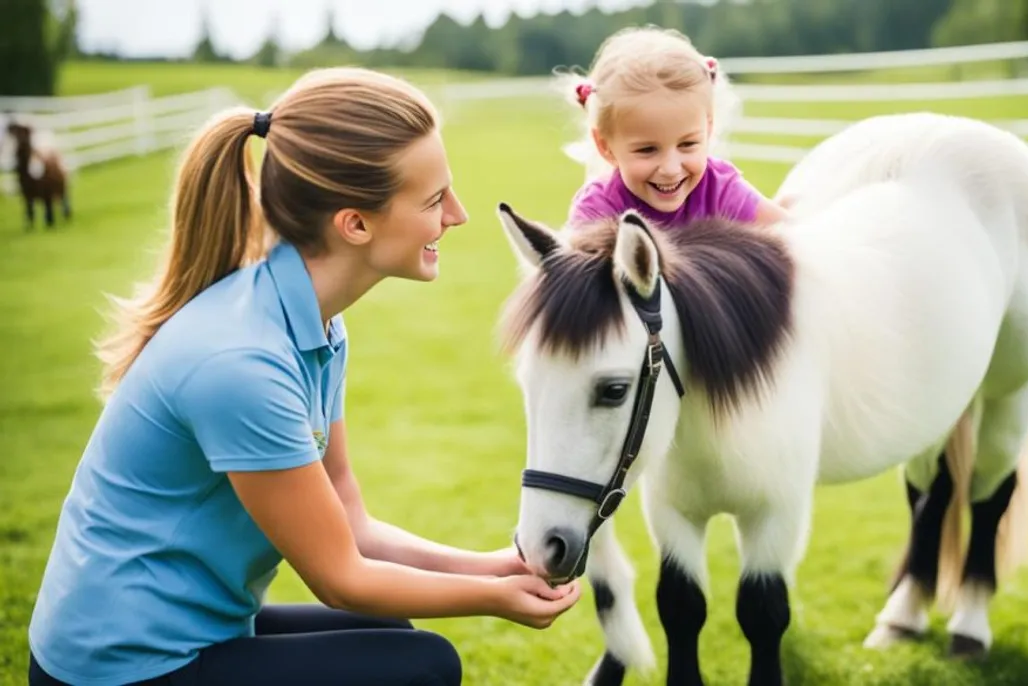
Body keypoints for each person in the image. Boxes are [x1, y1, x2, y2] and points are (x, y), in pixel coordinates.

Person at [26, 66, 581, 686]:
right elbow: (340, 578)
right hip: (118, 667)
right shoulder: (242, 364)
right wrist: (495, 601)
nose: (458, 214)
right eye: (433, 200)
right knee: (421, 666)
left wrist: (493, 568)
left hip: (197, 633)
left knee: (390, 637)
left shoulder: (315, 326)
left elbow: (352, 523)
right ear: (356, 224)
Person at [559, 26, 793, 231]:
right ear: (605, 146)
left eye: (687, 144)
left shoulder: (720, 190)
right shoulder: (598, 211)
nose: (670, 169)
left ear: (708, 129)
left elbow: (794, 237)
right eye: (647, 149)